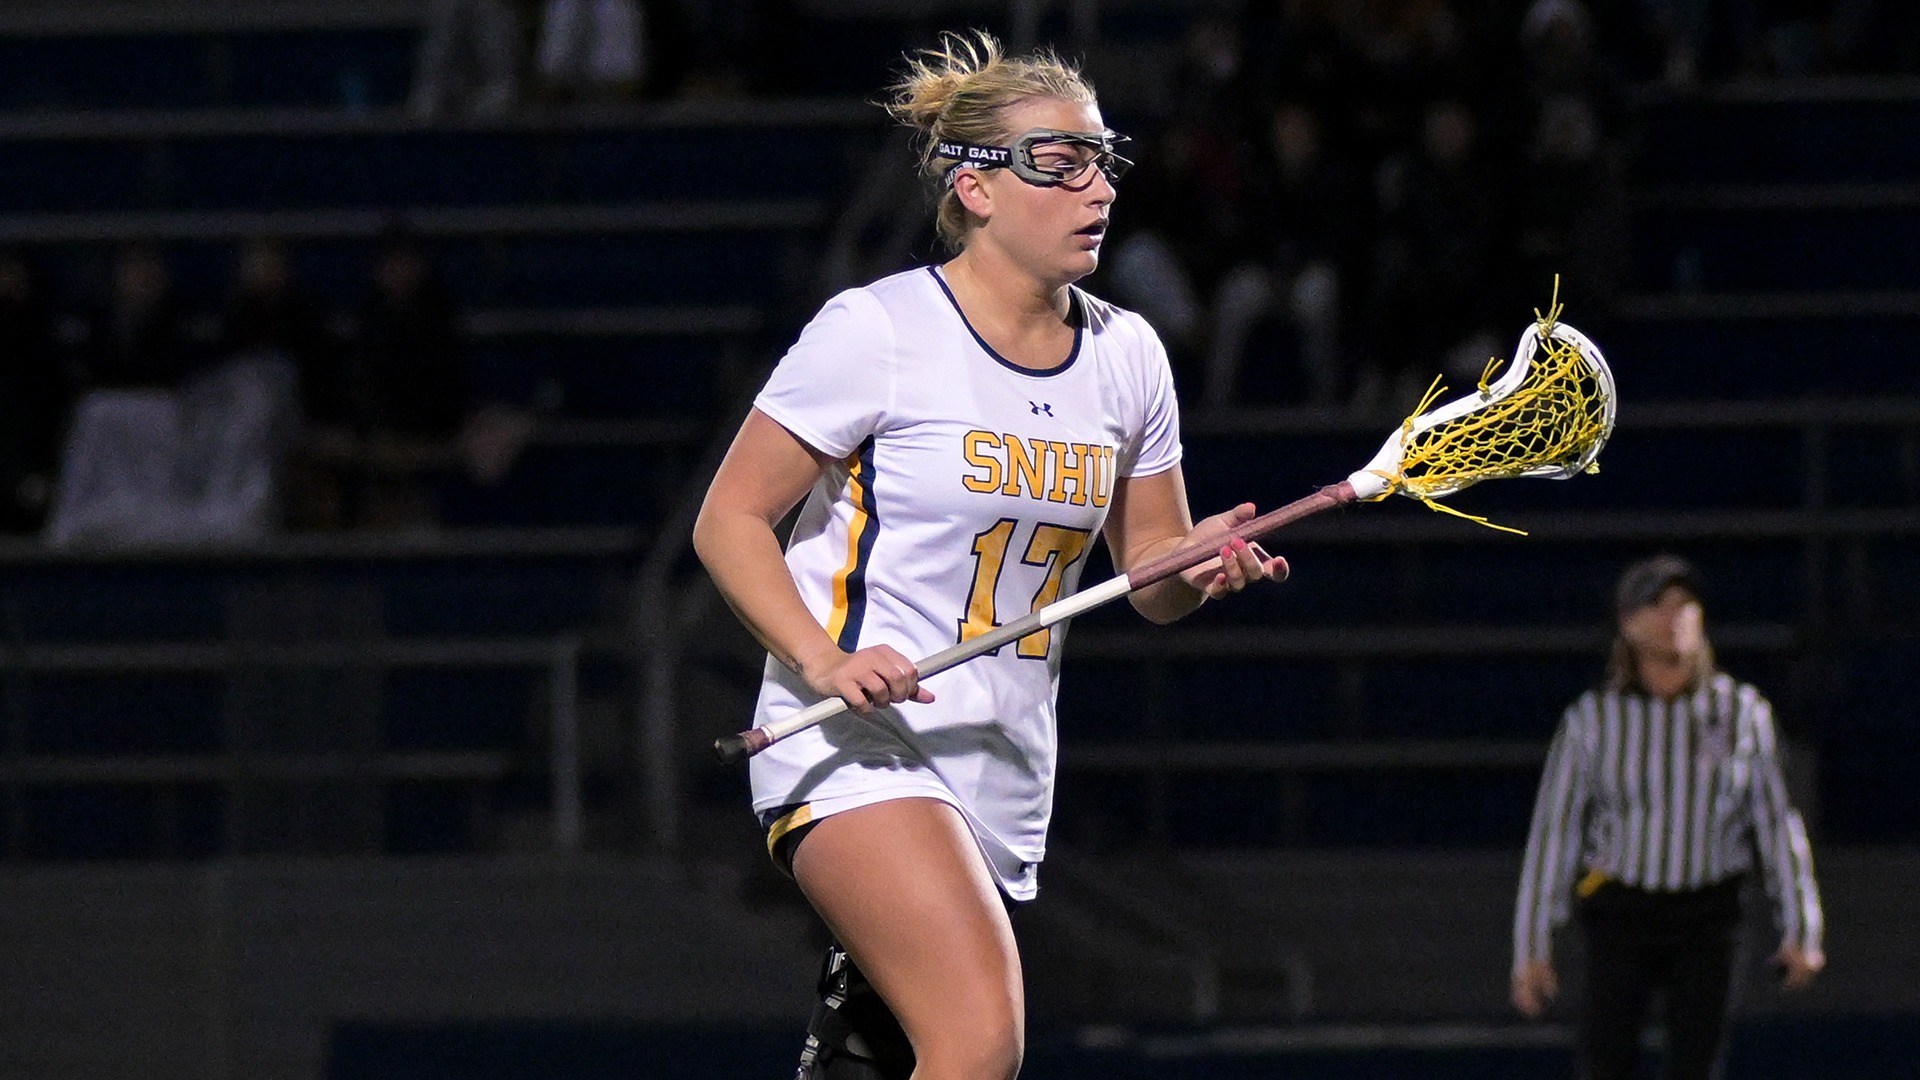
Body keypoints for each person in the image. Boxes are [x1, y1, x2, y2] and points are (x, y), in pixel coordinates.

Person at [692, 30, 1286, 1080]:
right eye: (1060, 164)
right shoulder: (877, 329)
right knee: (980, 1039)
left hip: (1000, 775)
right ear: (975, 187)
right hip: (854, 745)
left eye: (1105, 160)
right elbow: (728, 521)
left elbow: (1149, 573)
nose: (1097, 186)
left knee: (884, 1055)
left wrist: (1196, 566)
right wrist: (824, 662)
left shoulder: (1129, 356)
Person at [1511, 553, 1825, 1080]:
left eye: (1685, 604)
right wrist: (1532, 947)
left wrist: (1803, 927)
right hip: (1621, 909)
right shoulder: (1593, 720)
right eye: (1658, 605)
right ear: (1628, 624)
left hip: (1709, 912)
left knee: (1697, 1067)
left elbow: (1776, 824)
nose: (1676, 616)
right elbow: (1555, 834)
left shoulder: (1742, 712)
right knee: (1605, 1064)